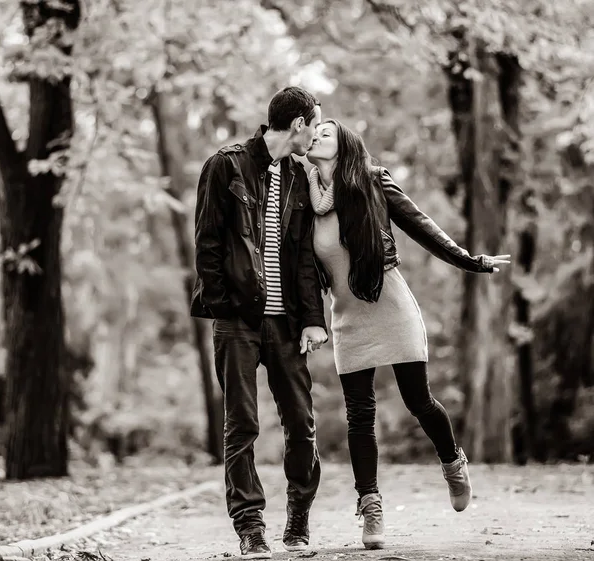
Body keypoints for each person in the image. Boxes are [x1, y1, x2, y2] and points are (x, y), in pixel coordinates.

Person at [306, 119, 511, 550]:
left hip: (391, 304)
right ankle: (371, 506)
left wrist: (470, 260)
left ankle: (453, 461)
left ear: (344, 145)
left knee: (419, 400)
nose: (316, 136)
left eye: (326, 132)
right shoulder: (303, 196)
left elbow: (421, 225)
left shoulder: (371, 180)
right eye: (314, 132)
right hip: (347, 314)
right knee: (359, 415)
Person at [191, 87, 329, 559]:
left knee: (301, 421)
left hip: (287, 322)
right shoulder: (225, 165)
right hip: (238, 320)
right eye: (315, 123)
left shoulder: (297, 177)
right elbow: (207, 244)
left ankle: (298, 521)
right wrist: (223, 306)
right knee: (242, 424)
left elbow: (304, 259)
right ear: (298, 125)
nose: (315, 132)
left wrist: (313, 319)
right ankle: (250, 527)